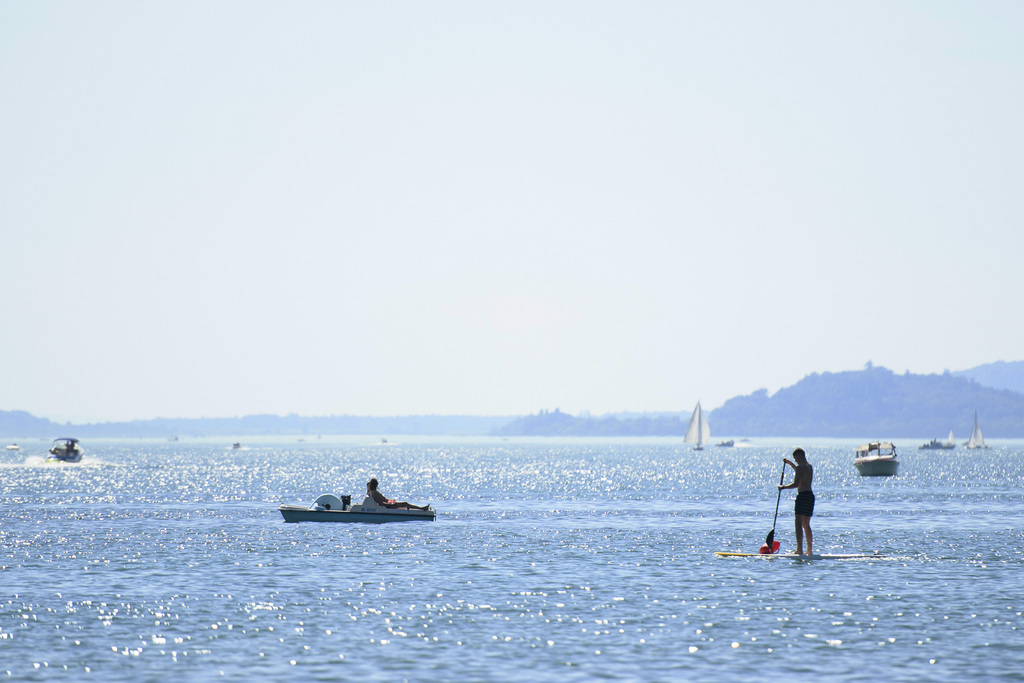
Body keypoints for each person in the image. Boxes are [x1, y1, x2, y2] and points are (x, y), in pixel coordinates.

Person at [779, 448, 814, 555]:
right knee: (806, 524)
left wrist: (783, 487)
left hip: (802, 496)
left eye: (795, 459)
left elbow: (795, 484)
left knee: (798, 524)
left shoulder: (800, 468)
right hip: (810, 496)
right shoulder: (809, 466)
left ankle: (799, 550)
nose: (796, 461)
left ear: (799, 456)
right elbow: (799, 471)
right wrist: (790, 463)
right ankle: (809, 550)